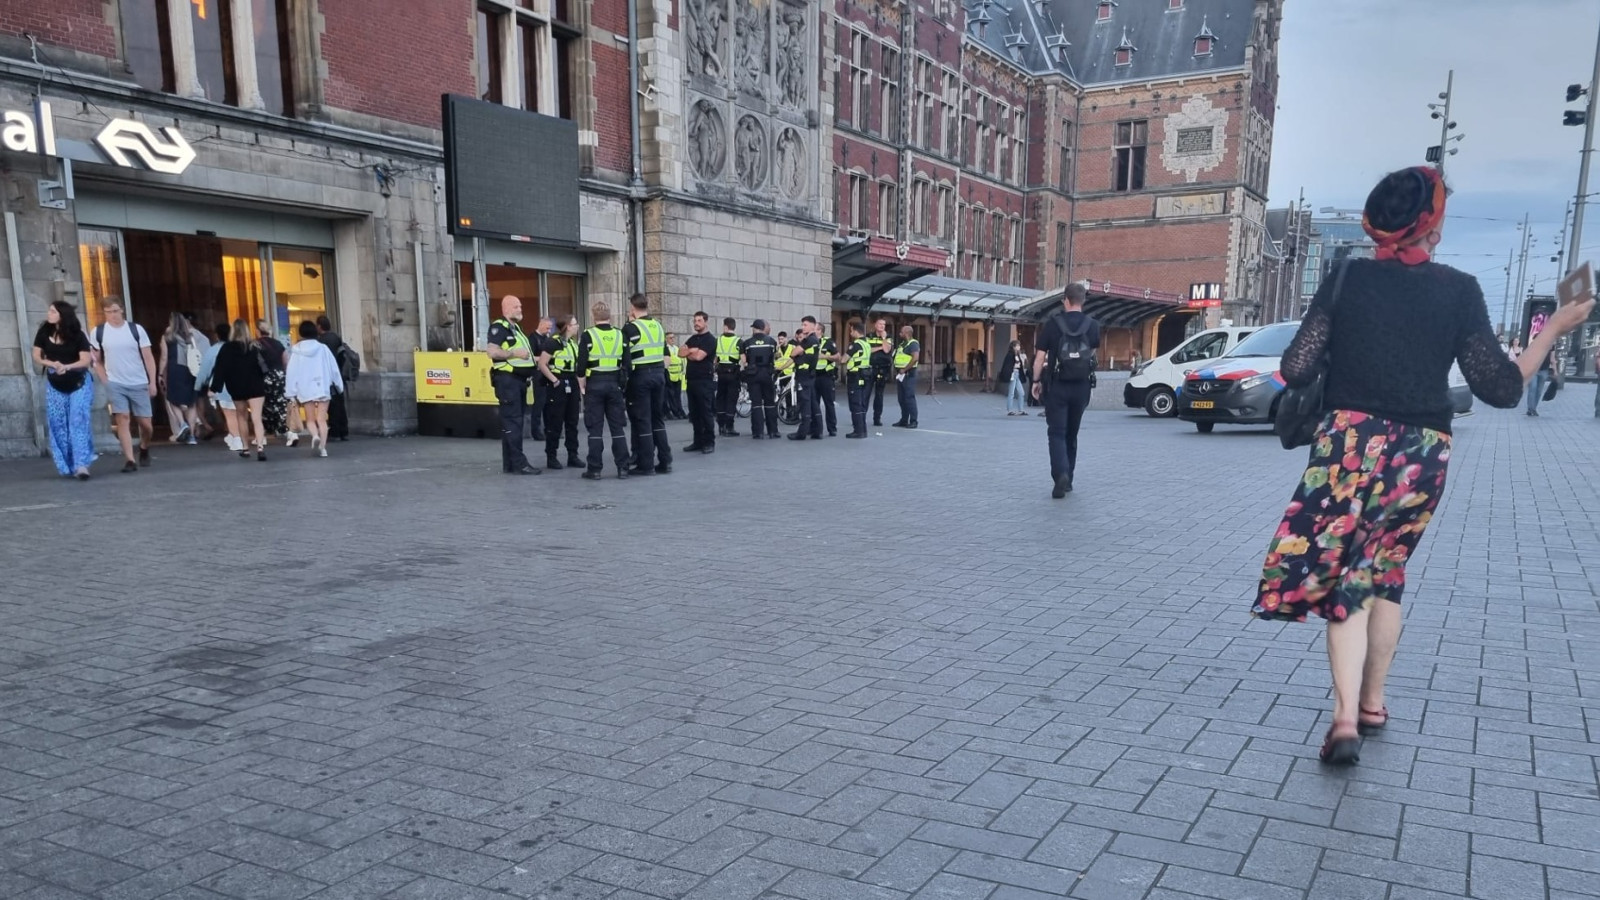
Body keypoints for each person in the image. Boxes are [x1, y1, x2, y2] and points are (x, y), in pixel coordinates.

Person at [1252, 165, 1595, 766]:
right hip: (1421, 451)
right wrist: (1556, 329)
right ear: (1431, 224)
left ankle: (1343, 719)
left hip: (1348, 446)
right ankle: (1374, 702)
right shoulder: (1459, 290)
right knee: (1382, 572)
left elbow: (1298, 368)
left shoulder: (1345, 277)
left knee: (1348, 580)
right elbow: (1500, 389)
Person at [1031, 283, 1099, 497]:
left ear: (1065, 300)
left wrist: (1035, 381)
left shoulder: (1053, 324)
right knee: (1072, 433)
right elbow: (1092, 355)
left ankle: (1060, 474)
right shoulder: (1092, 325)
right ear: (1082, 301)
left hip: (1057, 385)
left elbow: (1040, 357)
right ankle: (1068, 478)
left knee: (1056, 433)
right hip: (1081, 387)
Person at [88, 298, 157, 473]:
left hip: (138, 380)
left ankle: (144, 446)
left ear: (122, 310)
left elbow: (148, 357)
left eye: (116, 311)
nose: (113, 315)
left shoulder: (136, 330)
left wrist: (152, 381)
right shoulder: (98, 332)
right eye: (109, 312)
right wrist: (105, 379)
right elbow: (96, 359)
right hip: (115, 382)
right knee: (122, 418)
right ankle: (129, 460)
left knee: (146, 424)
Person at [33, 301, 95, 479]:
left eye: (53, 311)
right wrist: (51, 363)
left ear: (62, 314)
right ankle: (68, 464)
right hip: (55, 384)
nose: (49, 313)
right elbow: (36, 355)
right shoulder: (44, 331)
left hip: (79, 383)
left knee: (78, 420)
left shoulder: (78, 335)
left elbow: (85, 360)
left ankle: (82, 464)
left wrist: (67, 367)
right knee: (57, 423)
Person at [484, 295, 541, 475]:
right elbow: (491, 351)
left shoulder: (516, 328)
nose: (520, 309)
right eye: (516, 306)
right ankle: (519, 463)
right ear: (506, 308)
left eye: (520, 306)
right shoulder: (499, 327)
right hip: (507, 381)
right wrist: (513, 353)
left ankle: (510, 463)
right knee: (513, 423)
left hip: (517, 382)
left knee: (513, 423)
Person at [577, 301, 632, 479]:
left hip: (595, 384)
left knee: (595, 428)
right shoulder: (620, 334)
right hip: (614, 384)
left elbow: (581, 365)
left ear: (593, 316)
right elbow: (627, 363)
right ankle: (623, 468)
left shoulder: (588, 335)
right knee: (617, 428)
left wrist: (582, 384)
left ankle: (594, 469)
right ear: (610, 316)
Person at [622, 293, 672, 475]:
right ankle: (665, 461)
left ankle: (646, 464)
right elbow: (666, 353)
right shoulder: (658, 326)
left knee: (643, 420)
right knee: (657, 418)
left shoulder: (630, 328)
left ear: (633, 308)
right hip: (659, 375)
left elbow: (625, 358)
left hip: (640, 376)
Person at [210, 319, 271, 461]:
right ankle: (260, 447)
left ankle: (245, 448)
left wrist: (215, 388)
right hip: (256, 385)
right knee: (257, 418)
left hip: (237, 386)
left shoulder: (226, 348)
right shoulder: (255, 346)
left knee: (241, 417)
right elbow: (265, 366)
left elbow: (220, 369)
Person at [284, 320, 344, 457]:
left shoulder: (297, 351)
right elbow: (333, 368)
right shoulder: (323, 348)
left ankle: (315, 435)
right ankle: (323, 448)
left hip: (305, 388)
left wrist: (290, 391)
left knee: (310, 419)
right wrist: (339, 385)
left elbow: (292, 372)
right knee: (322, 419)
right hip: (322, 385)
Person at [544, 316, 583, 470]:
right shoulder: (553, 343)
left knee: (572, 422)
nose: (577, 326)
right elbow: (543, 364)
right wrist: (554, 380)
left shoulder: (573, 344)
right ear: (567, 326)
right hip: (558, 384)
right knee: (555, 422)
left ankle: (572, 455)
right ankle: (551, 456)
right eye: (575, 324)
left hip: (571, 382)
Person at [157, 311, 202, 444]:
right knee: (191, 403)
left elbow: (164, 357)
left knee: (172, 398)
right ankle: (192, 436)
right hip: (191, 370)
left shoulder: (167, 337)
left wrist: (160, 374)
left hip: (175, 370)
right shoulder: (190, 335)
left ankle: (183, 424)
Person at [681, 311, 718, 453]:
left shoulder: (710, 340)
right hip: (691, 380)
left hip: (704, 380)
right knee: (694, 413)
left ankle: (709, 442)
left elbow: (699, 357)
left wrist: (689, 353)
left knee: (705, 412)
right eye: (695, 321)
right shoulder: (692, 339)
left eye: (699, 321)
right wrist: (693, 351)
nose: (696, 323)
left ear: (706, 322)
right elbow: (680, 352)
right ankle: (698, 441)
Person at [194, 323, 233, 449]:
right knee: (240, 412)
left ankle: (233, 434)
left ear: (217, 336)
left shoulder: (213, 350)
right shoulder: (239, 347)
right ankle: (237, 434)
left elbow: (205, 370)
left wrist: (198, 385)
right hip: (240, 384)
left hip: (221, 386)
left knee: (227, 412)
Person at [254, 320, 292, 446]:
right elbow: (286, 360)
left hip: (263, 377)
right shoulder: (278, 343)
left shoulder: (255, 345)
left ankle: (262, 435)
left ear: (257, 331)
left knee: (263, 406)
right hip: (279, 375)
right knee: (281, 405)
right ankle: (290, 433)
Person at [741, 319, 779, 438]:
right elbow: (775, 357)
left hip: (753, 375)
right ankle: (773, 431)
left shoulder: (747, 343)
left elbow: (744, 361)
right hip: (767, 374)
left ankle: (758, 432)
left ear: (754, 328)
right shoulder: (771, 341)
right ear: (763, 328)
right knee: (770, 403)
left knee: (756, 404)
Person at [315, 315, 349, 441]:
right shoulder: (336, 337)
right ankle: (343, 430)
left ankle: (334, 431)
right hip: (338, 374)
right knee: (340, 403)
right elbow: (342, 355)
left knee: (331, 405)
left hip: (326, 376)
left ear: (319, 326)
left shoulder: (320, 341)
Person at [788, 316, 820, 441]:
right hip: (809, 375)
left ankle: (802, 433)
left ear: (813, 326)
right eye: (802, 325)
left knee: (805, 403)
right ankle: (817, 430)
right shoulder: (814, 340)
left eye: (805, 325)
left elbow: (793, 353)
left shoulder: (809, 340)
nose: (803, 327)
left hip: (804, 376)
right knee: (813, 403)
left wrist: (798, 354)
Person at [843, 319, 873, 439]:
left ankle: (858, 431)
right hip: (865, 375)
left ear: (856, 331)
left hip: (855, 376)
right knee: (861, 403)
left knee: (855, 404)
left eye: (851, 331)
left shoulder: (855, 345)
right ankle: (863, 429)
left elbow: (843, 359)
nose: (850, 334)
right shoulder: (867, 343)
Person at [529, 317, 557, 442]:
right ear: (540, 325)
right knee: (539, 403)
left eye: (550, 328)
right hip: (538, 373)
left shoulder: (546, 339)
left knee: (548, 403)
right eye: (547, 327)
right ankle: (536, 431)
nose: (549, 330)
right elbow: (529, 356)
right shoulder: (533, 338)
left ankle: (548, 429)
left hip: (547, 372)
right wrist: (542, 359)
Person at [714, 317, 742, 437]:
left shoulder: (718, 340)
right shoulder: (738, 341)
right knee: (731, 399)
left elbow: (714, 359)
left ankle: (721, 426)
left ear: (725, 326)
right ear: (734, 326)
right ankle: (729, 427)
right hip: (733, 373)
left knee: (720, 398)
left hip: (721, 373)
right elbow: (743, 360)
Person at [891, 325, 921, 429]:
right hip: (901, 375)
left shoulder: (913, 344)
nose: (900, 333)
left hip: (908, 374)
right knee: (901, 398)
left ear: (907, 333)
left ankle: (913, 421)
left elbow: (915, 358)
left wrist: (905, 369)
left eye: (901, 332)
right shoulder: (902, 344)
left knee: (909, 398)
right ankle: (904, 420)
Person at [812, 323, 839, 438]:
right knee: (814, 404)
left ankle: (832, 428)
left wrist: (824, 357)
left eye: (815, 329)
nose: (813, 331)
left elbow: (837, 357)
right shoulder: (810, 342)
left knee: (829, 403)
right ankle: (815, 428)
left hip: (826, 376)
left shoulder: (828, 342)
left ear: (820, 331)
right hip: (813, 376)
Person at [868, 318, 892, 426]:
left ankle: (877, 418)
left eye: (884, 324)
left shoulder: (888, 337)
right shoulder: (868, 336)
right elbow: (867, 350)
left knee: (879, 394)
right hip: (870, 368)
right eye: (880, 324)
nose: (882, 326)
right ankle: (861, 415)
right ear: (875, 325)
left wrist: (884, 338)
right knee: (866, 393)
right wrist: (879, 347)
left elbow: (887, 350)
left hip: (883, 368)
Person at [998, 340, 1029, 415]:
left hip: (1017, 374)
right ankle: (1010, 410)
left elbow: (1020, 365)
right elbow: (1008, 365)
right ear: (1014, 347)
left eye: (1019, 345)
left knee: (1021, 393)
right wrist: (1014, 367)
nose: (1019, 347)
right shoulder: (1010, 355)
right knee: (1011, 393)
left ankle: (1020, 409)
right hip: (1013, 374)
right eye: (1017, 345)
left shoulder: (1017, 355)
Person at [664, 331, 688, 420]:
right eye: (670, 338)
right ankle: (674, 412)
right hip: (669, 376)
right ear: (666, 340)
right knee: (671, 395)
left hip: (678, 375)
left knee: (677, 396)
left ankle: (679, 411)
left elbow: (683, 360)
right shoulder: (666, 349)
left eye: (673, 337)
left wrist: (684, 371)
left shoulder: (676, 348)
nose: (673, 339)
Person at [1525, 345, 1555, 416]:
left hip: (1544, 370)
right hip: (1534, 369)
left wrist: (1555, 370)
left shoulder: (1552, 345)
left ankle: (1534, 408)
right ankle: (1530, 408)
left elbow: (1552, 359)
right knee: (1533, 388)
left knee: (1539, 390)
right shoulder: (1537, 341)